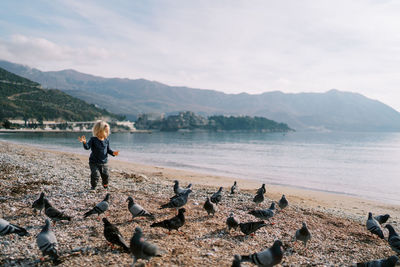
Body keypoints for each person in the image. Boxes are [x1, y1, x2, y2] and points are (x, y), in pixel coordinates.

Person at [78, 120, 119, 190]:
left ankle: (105, 185)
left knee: (105, 175)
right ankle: (93, 186)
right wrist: (84, 142)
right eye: (105, 131)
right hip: (94, 162)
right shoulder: (93, 139)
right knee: (95, 174)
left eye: (107, 132)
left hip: (104, 162)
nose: (106, 133)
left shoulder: (106, 140)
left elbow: (108, 150)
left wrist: (113, 153)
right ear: (98, 131)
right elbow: (87, 147)